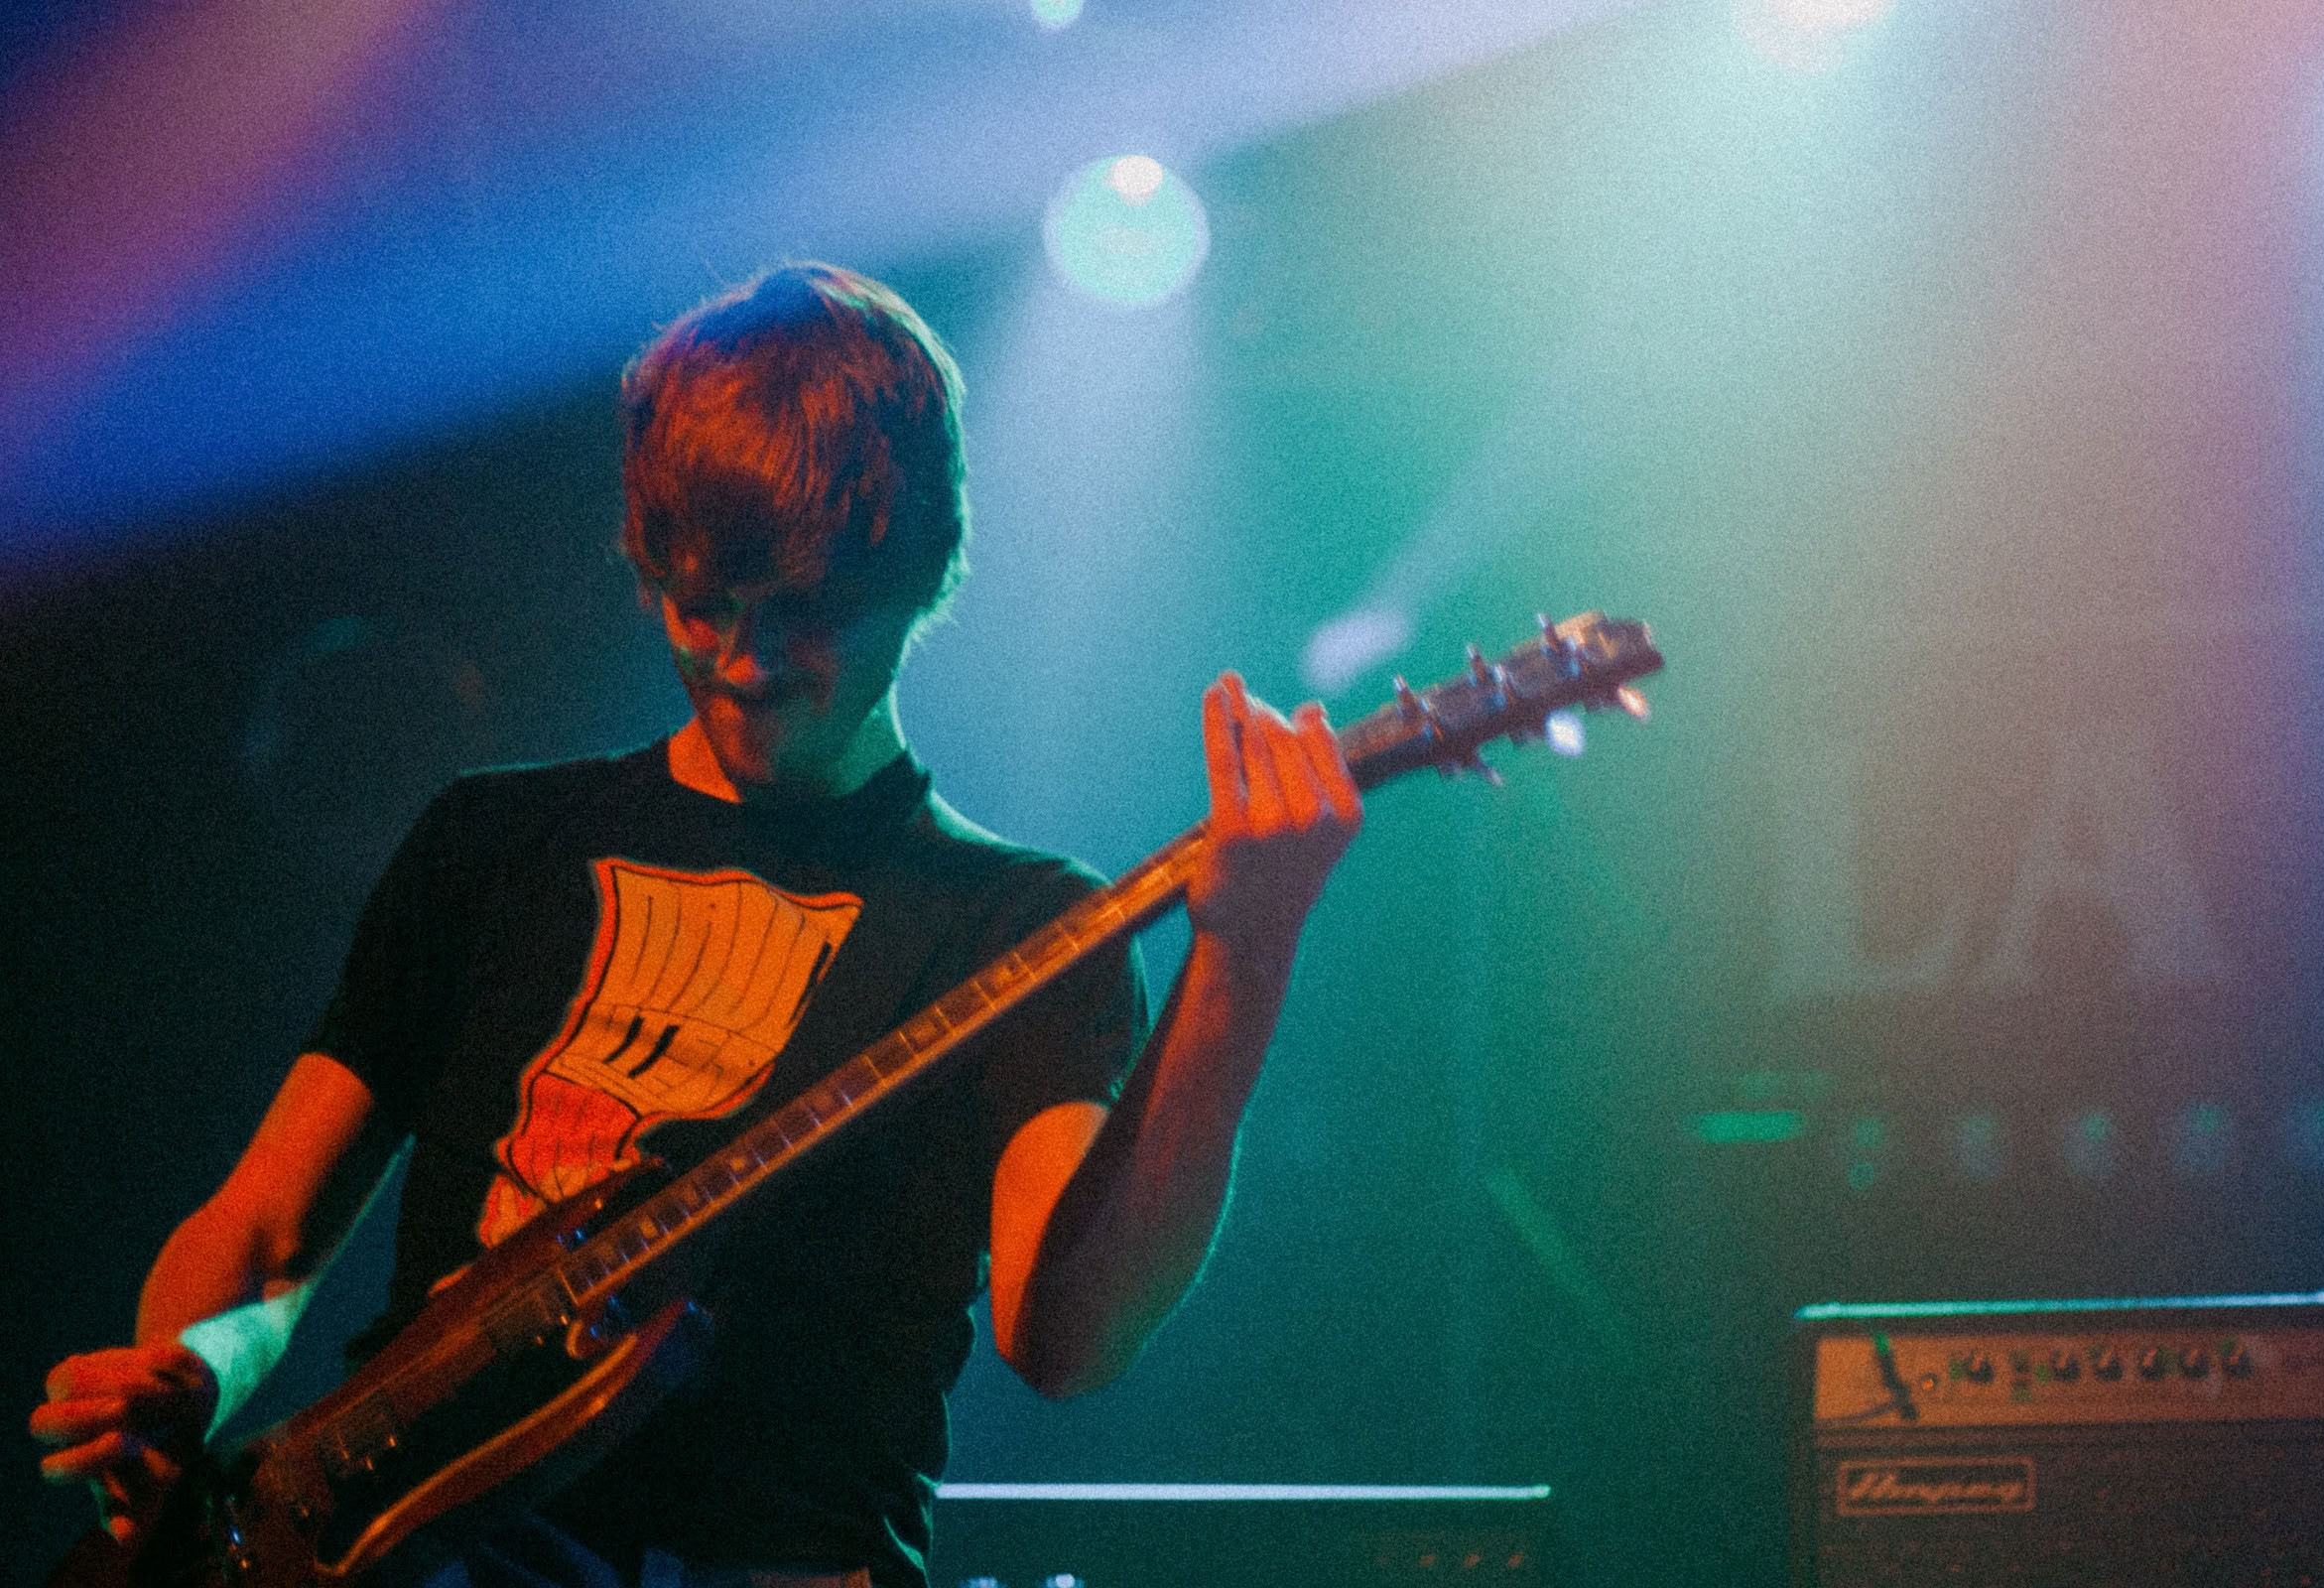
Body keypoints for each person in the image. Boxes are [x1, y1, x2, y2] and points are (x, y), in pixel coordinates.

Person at [31, 263, 1361, 1587]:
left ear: (923, 575)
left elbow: (1065, 1339)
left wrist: (1245, 958)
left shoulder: (1017, 922)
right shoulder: (496, 841)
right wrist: (186, 1376)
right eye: (701, 605)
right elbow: (267, 1236)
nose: (743, 662)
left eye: (805, 614)